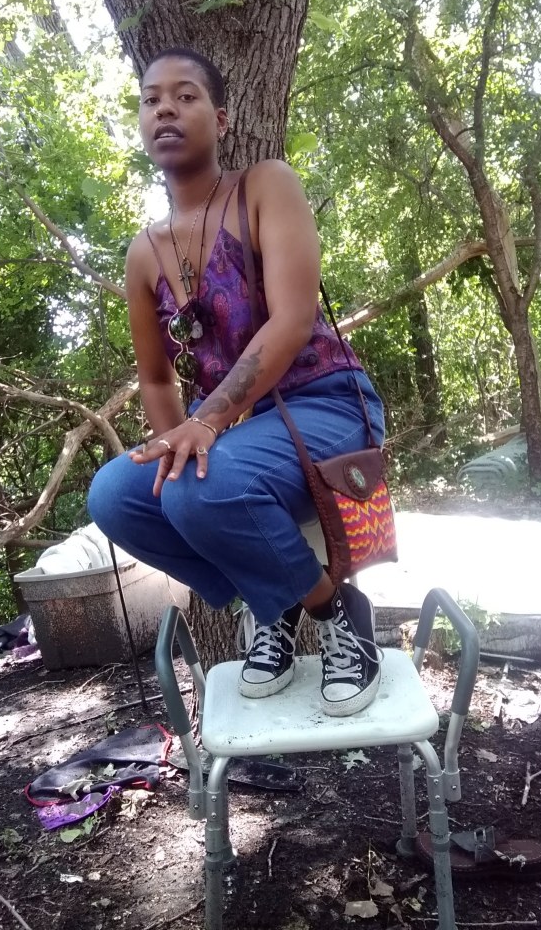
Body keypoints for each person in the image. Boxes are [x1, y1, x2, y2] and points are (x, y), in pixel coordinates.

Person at [88, 47, 386, 717]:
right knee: (116, 494)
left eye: (186, 95)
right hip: (234, 433)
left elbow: (292, 320)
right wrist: (178, 447)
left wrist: (208, 426)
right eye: (151, 98)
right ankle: (277, 599)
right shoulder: (145, 252)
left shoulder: (265, 185)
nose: (165, 107)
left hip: (325, 402)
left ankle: (342, 619)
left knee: (202, 489)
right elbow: (158, 381)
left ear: (221, 119)